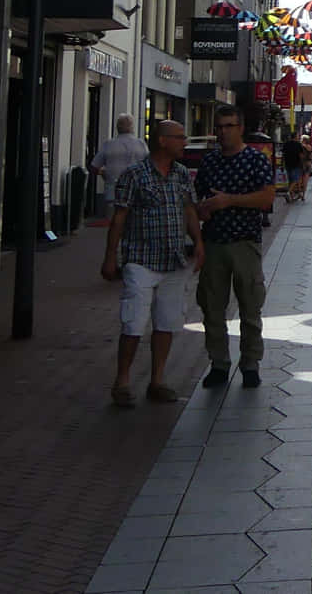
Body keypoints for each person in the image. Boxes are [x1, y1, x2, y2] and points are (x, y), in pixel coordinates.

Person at [101, 121, 203, 409]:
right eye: (179, 137)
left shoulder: (181, 174)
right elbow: (120, 217)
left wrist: (198, 242)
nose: (184, 142)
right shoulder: (134, 175)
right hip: (141, 259)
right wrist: (111, 255)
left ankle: (157, 380)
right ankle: (122, 381)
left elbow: (189, 208)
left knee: (167, 322)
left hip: (174, 259)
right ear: (162, 141)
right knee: (133, 320)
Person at [194, 106, 275, 390]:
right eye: (219, 127)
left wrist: (229, 201)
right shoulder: (210, 162)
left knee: (250, 308)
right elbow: (198, 197)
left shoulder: (255, 159)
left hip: (244, 243)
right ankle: (218, 364)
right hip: (214, 242)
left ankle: (250, 364)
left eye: (229, 126)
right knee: (212, 308)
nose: (223, 132)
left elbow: (266, 199)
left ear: (240, 128)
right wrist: (202, 209)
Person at [89, 114, 150, 219]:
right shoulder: (141, 144)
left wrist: (104, 173)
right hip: (137, 194)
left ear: (117, 127)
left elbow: (94, 167)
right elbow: (149, 166)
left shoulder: (109, 144)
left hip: (113, 193)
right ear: (132, 127)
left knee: (114, 224)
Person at [280, 132, 305, 203]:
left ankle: (291, 197)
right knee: (296, 180)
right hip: (296, 164)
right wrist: (302, 165)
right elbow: (301, 156)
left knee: (290, 180)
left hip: (287, 164)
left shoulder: (286, 144)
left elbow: (283, 155)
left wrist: (282, 164)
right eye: (298, 136)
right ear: (296, 137)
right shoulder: (298, 145)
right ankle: (288, 193)